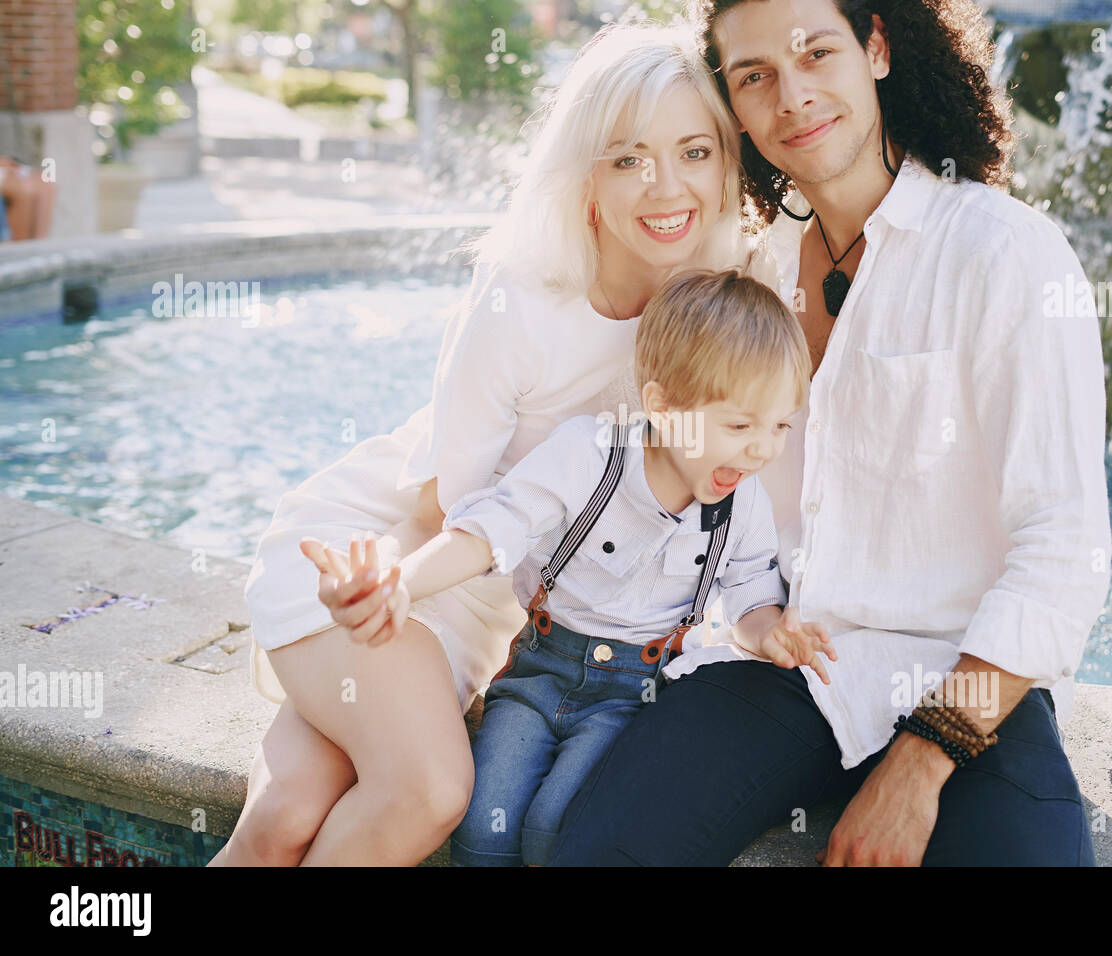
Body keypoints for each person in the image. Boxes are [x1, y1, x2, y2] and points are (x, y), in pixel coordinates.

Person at [548, 0, 1112, 867]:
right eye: (755, 75)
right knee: (597, 852)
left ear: (877, 48)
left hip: (967, 681)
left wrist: (923, 761)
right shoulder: (754, 269)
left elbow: (1064, 550)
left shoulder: (1006, 255)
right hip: (788, 663)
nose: (793, 96)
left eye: (817, 54)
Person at [211, 21, 753, 866]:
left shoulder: (726, 306)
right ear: (585, 179)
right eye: (627, 159)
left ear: (726, 167)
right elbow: (445, 504)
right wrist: (390, 587)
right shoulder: (523, 296)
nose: (665, 186)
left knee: (296, 809)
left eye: (694, 151)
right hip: (407, 553)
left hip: (502, 606)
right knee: (399, 795)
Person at [381, 268, 826, 866]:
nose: (763, 449)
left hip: (633, 694)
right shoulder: (591, 456)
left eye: (779, 427)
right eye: (740, 425)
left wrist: (770, 631)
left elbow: (749, 589)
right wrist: (402, 583)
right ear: (663, 408)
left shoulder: (741, 503)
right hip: (540, 672)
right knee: (484, 832)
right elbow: (495, 529)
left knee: (551, 832)